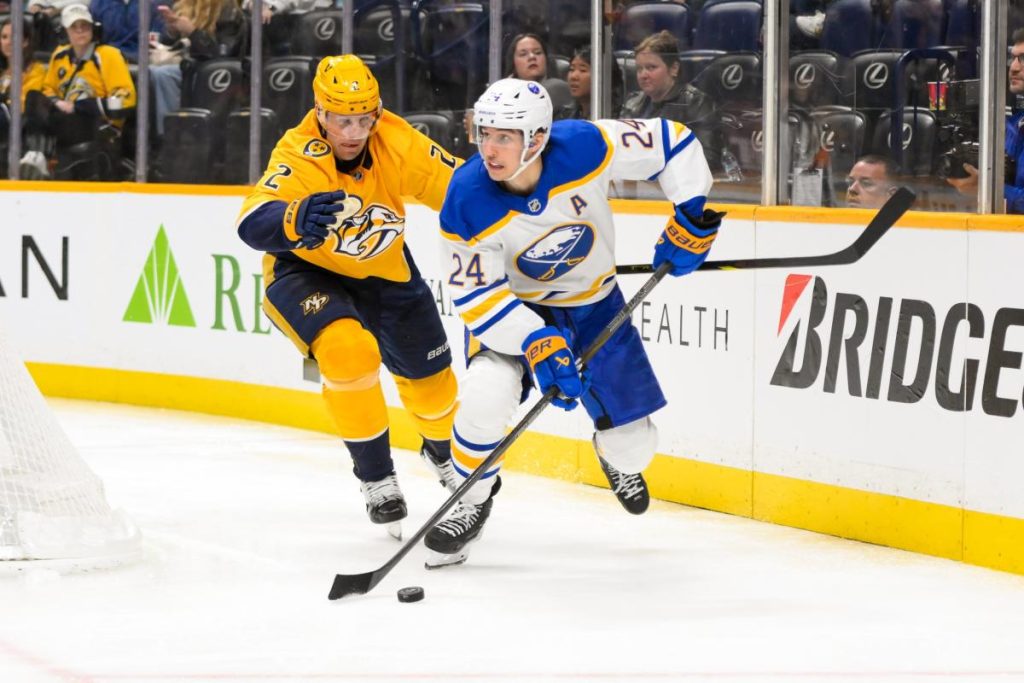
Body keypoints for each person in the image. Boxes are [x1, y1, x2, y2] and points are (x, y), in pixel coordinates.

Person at [424, 78, 719, 567]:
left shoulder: (585, 146)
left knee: (634, 448)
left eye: (504, 137)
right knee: (484, 396)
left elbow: (673, 142)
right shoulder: (466, 197)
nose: (488, 149)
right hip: (516, 311)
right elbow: (476, 295)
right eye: (484, 134)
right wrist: (535, 339)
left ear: (537, 138)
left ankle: (613, 453)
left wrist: (690, 213)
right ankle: (469, 500)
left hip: (594, 305)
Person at [236, 55, 463, 539]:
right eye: (342, 119)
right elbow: (251, 222)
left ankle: (442, 452)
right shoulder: (299, 152)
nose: (355, 132)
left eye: (365, 119)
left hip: (385, 272)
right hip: (306, 272)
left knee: (435, 391)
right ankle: (377, 477)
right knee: (348, 351)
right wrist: (292, 219)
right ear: (320, 112)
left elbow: (461, 190)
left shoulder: (395, 139)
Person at [20, 3, 136, 179]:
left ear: (93, 28)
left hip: (99, 124)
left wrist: (79, 107)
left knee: (55, 118)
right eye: (74, 27)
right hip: (65, 120)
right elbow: (48, 89)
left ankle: (39, 157)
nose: (80, 31)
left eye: (84, 25)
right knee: (33, 97)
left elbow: (126, 99)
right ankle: (36, 157)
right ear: (65, 31)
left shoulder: (109, 55)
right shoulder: (59, 56)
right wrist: (58, 103)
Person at [946, 28, 1024, 214]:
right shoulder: (1013, 124)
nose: (1014, 67)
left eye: (1023, 59)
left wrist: (987, 190)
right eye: (1012, 58)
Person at [149, 0, 246, 137]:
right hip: (189, 64)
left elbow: (220, 54)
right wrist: (173, 31)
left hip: (214, 71)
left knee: (163, 74)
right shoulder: (185, 5)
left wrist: (193, 32)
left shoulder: (228, 10)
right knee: (154, 73)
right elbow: (174, 46)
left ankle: (173, 133)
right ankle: (163, 133)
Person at [1, 17, 46, 172]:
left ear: (25, 41)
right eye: (4, 37)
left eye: (13, 37)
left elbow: (26, 103)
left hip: (20, 126)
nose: (8, 42)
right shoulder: (2, 74)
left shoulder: (35, 70)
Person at [88, 0, 166, 62]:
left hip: (142, 58)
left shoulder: (153, 4)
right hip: (108, 56)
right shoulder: (99, 3)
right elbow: (92, 36)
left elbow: (157, 36)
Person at [564, 46, 624, 120]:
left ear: (603, 76)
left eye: (583, 70)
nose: (573, 76)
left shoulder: (620, 118)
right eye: (571, 69)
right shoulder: (563, 116)